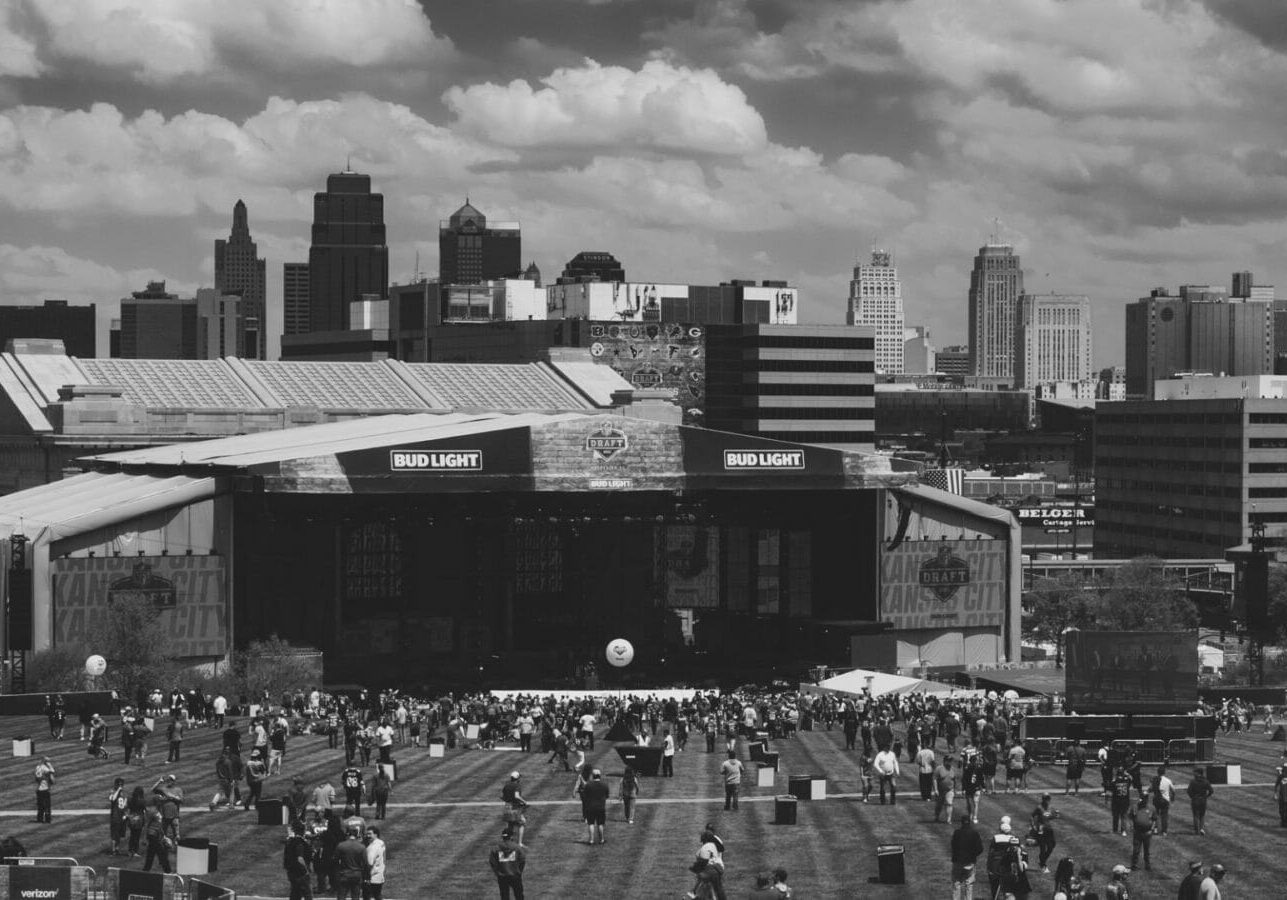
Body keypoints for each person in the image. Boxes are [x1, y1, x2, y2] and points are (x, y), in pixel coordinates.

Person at [684, 828, 726, 900]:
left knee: (698, 889)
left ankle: (690, 897)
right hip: (718, 870)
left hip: (709, 871)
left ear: (704, 840)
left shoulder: (705, 848)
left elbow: (703, 862)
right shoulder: (714, 846)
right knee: (718, 890)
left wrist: (694, 868)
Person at [950, 812, 984, 900]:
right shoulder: (974, 833)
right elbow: (980, 849)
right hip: (970, 862)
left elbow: (953, 846)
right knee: (969, 884)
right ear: (970, 822)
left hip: (957, 861)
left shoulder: (957, 833)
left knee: (956, 883)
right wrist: (973, 855)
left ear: (961, 822)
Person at [488, 827, 526, 900]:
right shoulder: (516, 847)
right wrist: (519, 871)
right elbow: (522, 860)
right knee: (519, 895)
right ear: (511, 836)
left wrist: (497, 872)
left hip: (502, 876)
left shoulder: (496, 848)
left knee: (504, 896)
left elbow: (492, 862)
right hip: (515, 875)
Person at [284, 817, 315, 900]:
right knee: (308, 894)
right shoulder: (300, 843)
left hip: (292, 872)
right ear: (302, 831)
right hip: (301, 873)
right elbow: (300, 858)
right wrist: (306, 870)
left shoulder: (290, 842)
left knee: (295, 894)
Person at [333, 825, 366, 900]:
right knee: (355, 896)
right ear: (357, 834)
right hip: (356, 874)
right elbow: (365, 863)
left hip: (344, 874)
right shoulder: (361, 847)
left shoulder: (341, 845)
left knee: (341, 895)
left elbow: (335, 860)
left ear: (347, 834)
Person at [1029, 792, 1059, 873]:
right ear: (1043, 799)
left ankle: (1042, 861)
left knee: (1051, 846)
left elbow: (1049, 817)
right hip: (1041, 830)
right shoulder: (1039, 808)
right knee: (1043, 848)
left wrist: (1055, 816)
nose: (1048, 800)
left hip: (1049, 829)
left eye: (1048, 799)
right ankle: (1043, 865)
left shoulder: (1050, 808)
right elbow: (1032, 816)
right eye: (1046, 799)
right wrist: (1033, 826)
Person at [582, 769, 609, 845]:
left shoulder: (588, 785)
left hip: (590, 807)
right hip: (600, 807)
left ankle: (591, 840)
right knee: (600, 824)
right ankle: (601, 840)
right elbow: (607, 796)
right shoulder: (604, 785)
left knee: (591, 824)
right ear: (599, 776)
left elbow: (585, 796)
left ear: (593, 776)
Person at [501, 772, 528, 848]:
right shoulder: (517, 786)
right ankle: (519, 843)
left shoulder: (506, 785)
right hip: (514, 807)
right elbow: (516, 796)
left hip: (507, 806)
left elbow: (503, 797)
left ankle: (509, 842)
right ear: (517, 778)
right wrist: (524, 801)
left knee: (510, 824)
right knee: (522, 823)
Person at [142, 806, 172, 873]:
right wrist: (144, 838)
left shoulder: (159, 812)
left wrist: (163, 835)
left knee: (151, 854)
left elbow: (159, 825)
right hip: (152, 835)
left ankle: (146, 870)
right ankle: (168, 871)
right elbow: (147, 824)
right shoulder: (152, 811)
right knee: (162, 853)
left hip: (156, 835)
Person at [1129, 797, 1155, 871]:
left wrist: (1152, 829)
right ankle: (1134, 865)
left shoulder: (1152, 808)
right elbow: (1130, 817)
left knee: (1147, 850)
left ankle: (1147, 865)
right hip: (1137, 832)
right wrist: (1131, 827)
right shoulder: (1135, 807)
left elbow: (1154, 819)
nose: (1143, 801)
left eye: (1144, 800)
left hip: (1147, 833)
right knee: (1136, 850)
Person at [1150, 764, 1175, 835]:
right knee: (1164, 816)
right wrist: (1172, 798)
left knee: (1156, 815)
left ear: (1157, 772)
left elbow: (1151, 789)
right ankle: (1164, 831)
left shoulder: (1155, 780)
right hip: (1165, 800)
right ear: (1164, 772)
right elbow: (1173, 790)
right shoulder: (1168, 780)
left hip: (1156, 799)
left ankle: (1155, 829)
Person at [362, 824, 386, 900]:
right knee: (377, 894)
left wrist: (366, 877)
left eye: (370, 834)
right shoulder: (381, 842)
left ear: (376, 834)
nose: (367, 836)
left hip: (371, 876)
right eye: (367, 834)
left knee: (366, 896)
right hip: (380, 874)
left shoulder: (372, 848)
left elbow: (369, 864)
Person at [1188, 767, 1213, 835]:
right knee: (1202, 815)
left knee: (1196, 815)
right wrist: (1206, 796)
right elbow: (1211, 791)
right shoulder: (1206, 781)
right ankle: (1201, 829)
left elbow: (1189, 791)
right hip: (1203, 800)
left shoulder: (1193, 781)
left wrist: (1192, 797)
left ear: (1198, 773)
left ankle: (1197, 831)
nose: (1193, 774)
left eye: (1194, 772)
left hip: (1195, 800)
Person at [107, 776, 127, 855]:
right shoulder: (113, 791)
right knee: (114, 835)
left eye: (121, 785)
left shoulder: (123, 793)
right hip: (115, 816)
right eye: (119, 784)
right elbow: (112, 799)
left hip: (121, 816)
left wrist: (125, 814)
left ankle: (117, 849)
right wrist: (118, 790)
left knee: (119, 834)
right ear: (115, 785)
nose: (120, 786)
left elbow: (125, 805)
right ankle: (113, 850)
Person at [934, 755, 957, 824]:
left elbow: (954, 780)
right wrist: (936, 789)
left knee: (949, 803)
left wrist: (954, 789)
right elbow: (934, 779)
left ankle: (948, 819)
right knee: (939, 805)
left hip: (949, 790)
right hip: (940, 790)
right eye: (949, 761)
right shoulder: (939, 769)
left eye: (951, 761)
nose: (950, 762)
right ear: (945, 761)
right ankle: (937, 816)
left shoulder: (953, 769)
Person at [1111, 766, 1134, 836]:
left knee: (1116, 816)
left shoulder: (1115, 781)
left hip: (1116, 801)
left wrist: (1114, 778)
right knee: (1123, 816)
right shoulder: (1127, 780)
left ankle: (1115, 830)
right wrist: (1127, 774)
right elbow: (1131, 779)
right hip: (1125, 800)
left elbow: (1111, 787)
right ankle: (1123, 830)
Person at [125, 786, 147, 857]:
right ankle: (135, 851)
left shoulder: (130, 799)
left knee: (132, 835)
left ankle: (130, 850)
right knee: (137, 836)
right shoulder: (142, 801)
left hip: (132, 818)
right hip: (139, 819)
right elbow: (144, 809)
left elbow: (127, 808)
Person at [33, 756, 54, 823]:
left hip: (39, 788)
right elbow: (52, 772)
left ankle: (40, 819)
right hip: (45, 789)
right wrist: (50, 766)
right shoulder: (45, 768)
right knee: (47, 805)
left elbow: (36, 778)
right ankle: (47, 819)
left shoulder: (38, 767)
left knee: (40, 806)